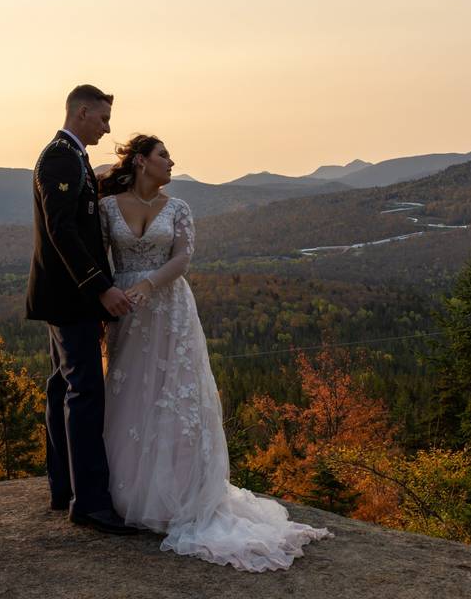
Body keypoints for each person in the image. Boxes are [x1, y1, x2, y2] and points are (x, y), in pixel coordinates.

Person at [97, 135, 331, 571]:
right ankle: (128, 493)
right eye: (163, 155)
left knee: (178, 393)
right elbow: (100, 258)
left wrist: (149, 285)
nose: (171, 161)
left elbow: (183, 258)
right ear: (142, 161)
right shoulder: (108, 207)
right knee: (130, 393)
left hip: (169, 307)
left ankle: (180, 494)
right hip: (127, 312)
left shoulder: (179, 207)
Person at [25, 84, 136, 535]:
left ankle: (64, 487)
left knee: (61, 387)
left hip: (64, 296)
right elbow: (62, 230)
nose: (108, 127)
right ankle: (89, 502)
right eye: (104, 118)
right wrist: (100, 289)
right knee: (85, 392)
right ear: (83, 112)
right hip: (72, 297)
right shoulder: (60, 158)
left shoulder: (74, 158)